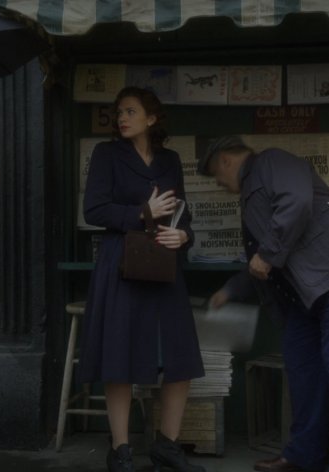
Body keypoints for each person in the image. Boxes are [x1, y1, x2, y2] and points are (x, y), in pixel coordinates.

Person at [198, 136, 329, 472]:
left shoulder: (271, 162)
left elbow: (296, 203)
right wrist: (231, 289)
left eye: (216, 175)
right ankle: (303, 456)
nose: (219, 184)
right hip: (307, 291)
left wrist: (268, 255)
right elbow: (260, 259)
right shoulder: (251, 195)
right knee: (303, 370)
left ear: (225, 160)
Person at [79, 86, 206, 472]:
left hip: (165, 264)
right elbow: (94, 210)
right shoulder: (106, 154)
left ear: (151, 119)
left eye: (131, 111)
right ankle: (120, 450)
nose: (122, 118)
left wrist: (184, 236)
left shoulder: (169, 159)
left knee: (179, 357)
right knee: (119, 356)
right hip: (122, 263)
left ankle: (167, 445)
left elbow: (182, 214)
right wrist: (142, 211)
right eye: (120, 112)